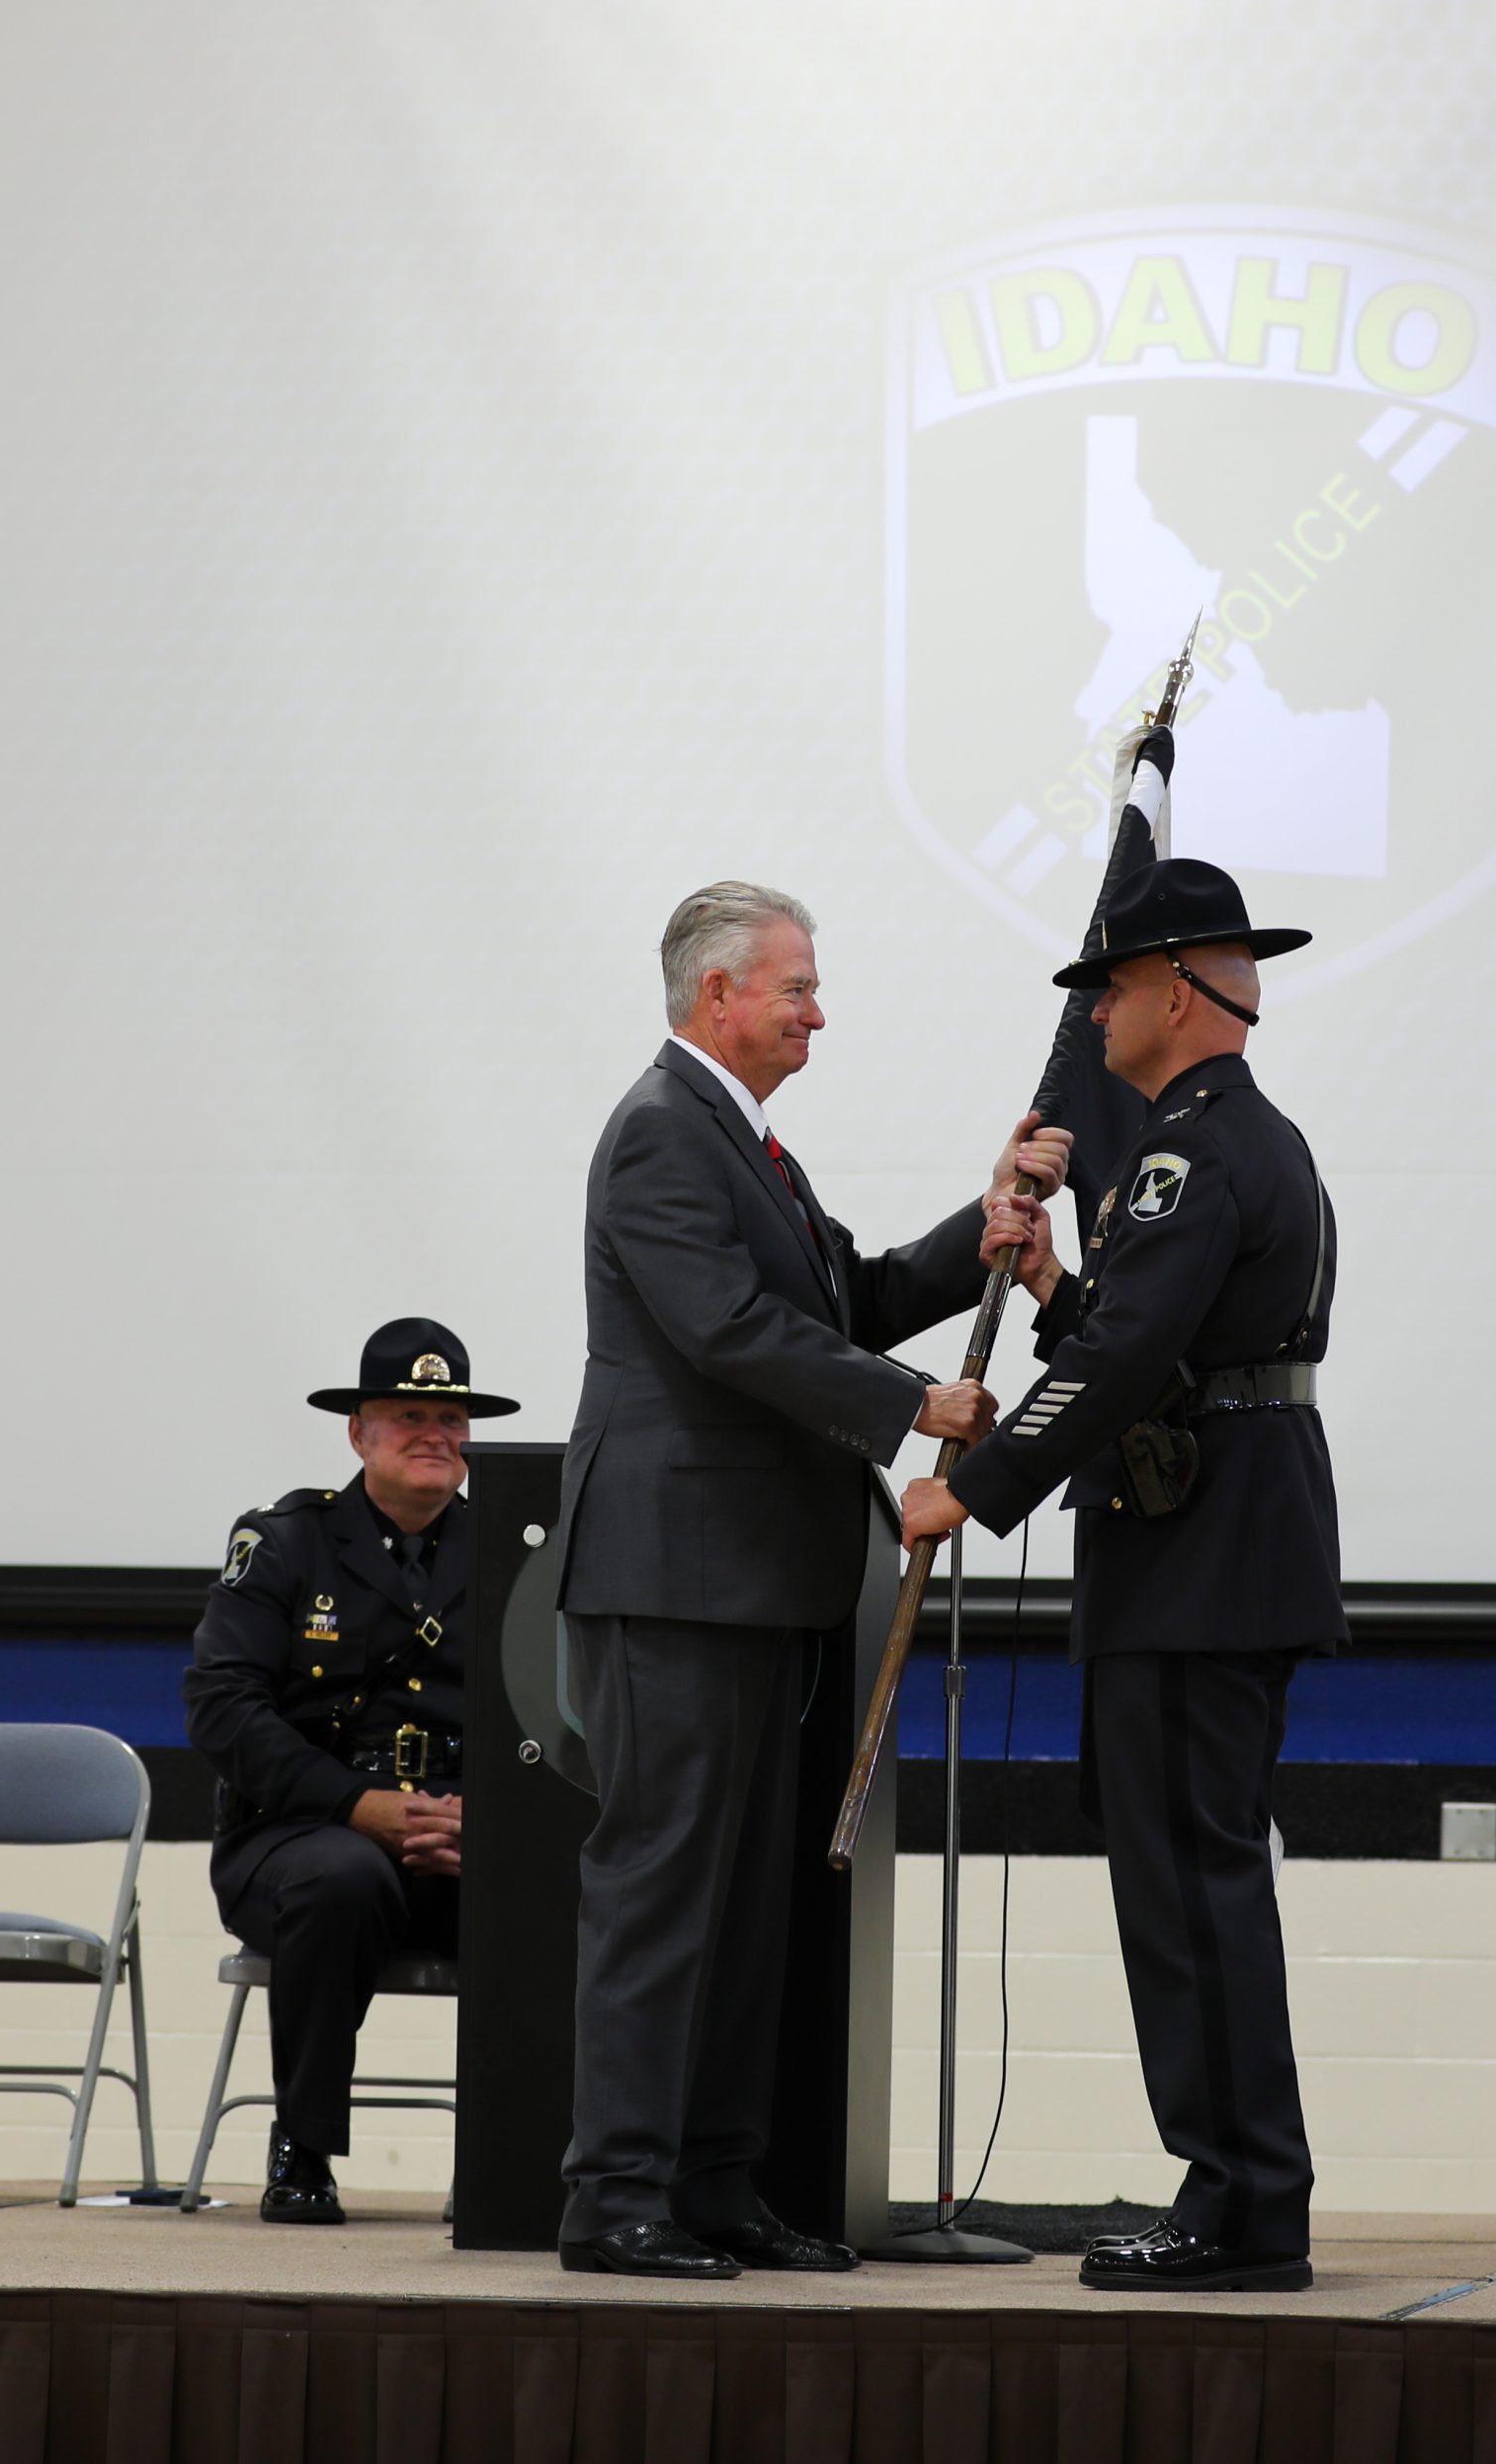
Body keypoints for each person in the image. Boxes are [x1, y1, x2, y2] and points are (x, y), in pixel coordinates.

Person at [555, 880, 1070, 2280]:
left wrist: (988, 1223)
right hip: (676, 1579)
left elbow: (837, 1295)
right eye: (796, 988)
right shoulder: (666, 1133)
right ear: (718, 993)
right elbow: (725, 1330)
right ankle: (616, 2197)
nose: (817, 1011)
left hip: (757, 1580)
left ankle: (715, 2184)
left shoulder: (749, 1147)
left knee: (745, 1897)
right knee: (665, 1885)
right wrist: (918, 1407)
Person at [903, 857, 1337, 2295]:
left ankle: (1238, 2201)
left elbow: (1126, 1367)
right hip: (1215, 1541)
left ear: (1169, 990)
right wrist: (1045, 1295)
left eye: (1104, 987)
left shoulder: (1192, 1149)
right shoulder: (1227, 1141)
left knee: (1191, 1883)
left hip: (1202, 1554)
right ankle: (1240, 2188)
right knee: (1186, 1873)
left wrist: (970, 1486)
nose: (1090, 1015)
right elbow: (1151, 1336)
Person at [184, 1318, 516, 2224]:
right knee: (342, 1878)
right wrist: (354, 1803)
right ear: (358, 1433)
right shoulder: (286, 1544)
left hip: (453, 1835)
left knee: (548, 1885)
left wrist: (486, 1822)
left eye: (452, 1420)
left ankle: (506, 2159)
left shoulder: (513, 1555)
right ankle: (305, 2148)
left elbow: (564, 1719)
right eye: (408, 1415)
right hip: (297, 1837)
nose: (435, 1436)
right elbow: (223, 1712)